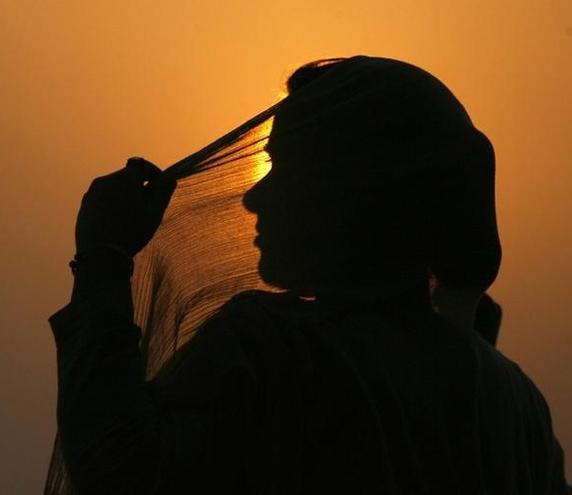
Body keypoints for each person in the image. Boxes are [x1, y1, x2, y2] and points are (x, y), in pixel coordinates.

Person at [46, 56, 568, 494]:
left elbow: (118, 468)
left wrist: (103, 261)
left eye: (286, 169)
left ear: (349, 192)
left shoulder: (276, 349)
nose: (254, 195)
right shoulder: (517, 407)